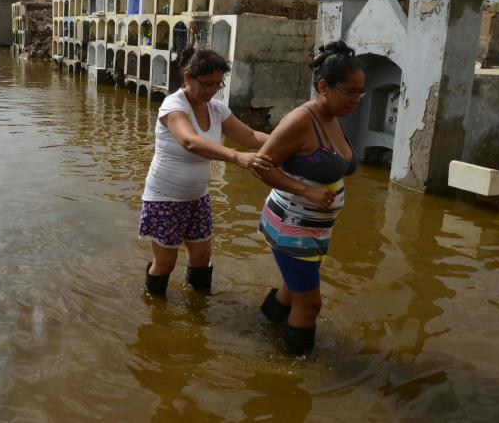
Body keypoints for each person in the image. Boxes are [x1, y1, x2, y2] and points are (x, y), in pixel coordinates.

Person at [254, 40, 363, 356]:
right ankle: (293, 372)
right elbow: (261, 165)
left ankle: (265, 326)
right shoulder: (302, 119)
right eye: (350, 91)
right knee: (310, 303)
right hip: (292, 224)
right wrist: (306, 191)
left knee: (293, 289)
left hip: (314, 227)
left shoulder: (332, 117)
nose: (356, 99)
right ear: (325, 86)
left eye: (360, 92)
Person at [141, 47, 273, 296]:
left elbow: (251, 136)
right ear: (188, 77)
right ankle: (155, 309)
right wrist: (236, 156)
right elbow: (190, 141)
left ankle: (199, 309)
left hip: (197, 197)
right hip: (165, 198)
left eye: (217, 84)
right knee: (166, 262)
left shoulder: (216, 108)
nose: (212, 90)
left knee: (202, 256)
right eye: (207, 84)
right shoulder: (173, 106)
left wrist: (290, 143)